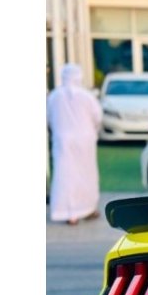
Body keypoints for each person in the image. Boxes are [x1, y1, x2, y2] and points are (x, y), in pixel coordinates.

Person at [47, 63, 102, 225]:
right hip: (85, 141)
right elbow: (97, 117)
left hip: (62, 140)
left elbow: (48, 118)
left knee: (65, 175)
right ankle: (87, 209)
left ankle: (69, 214)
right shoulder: (87, 96)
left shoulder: (54, 96)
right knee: (86, 174)